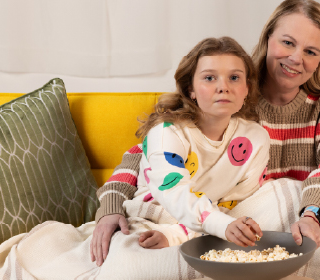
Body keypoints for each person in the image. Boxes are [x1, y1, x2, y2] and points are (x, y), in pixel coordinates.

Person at [91, 37, 268, 266]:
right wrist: (181, 232)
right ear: (190, 89)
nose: (223, 86)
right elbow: (173, 191)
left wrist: (181, 234)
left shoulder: (256, 139)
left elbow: (232, 204)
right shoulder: (167, 133)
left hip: (215, 224)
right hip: (153, 218)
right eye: (209, 77)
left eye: (234, 77)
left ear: (247, 89)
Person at [251, 0, 320, 248]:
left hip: (312, 219)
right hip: (248, 226)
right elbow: (171, 140)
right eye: (287, 43)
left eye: (310, 52)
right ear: (268, 37)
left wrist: (312, 215)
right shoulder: (234, 87)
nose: (295, 58)